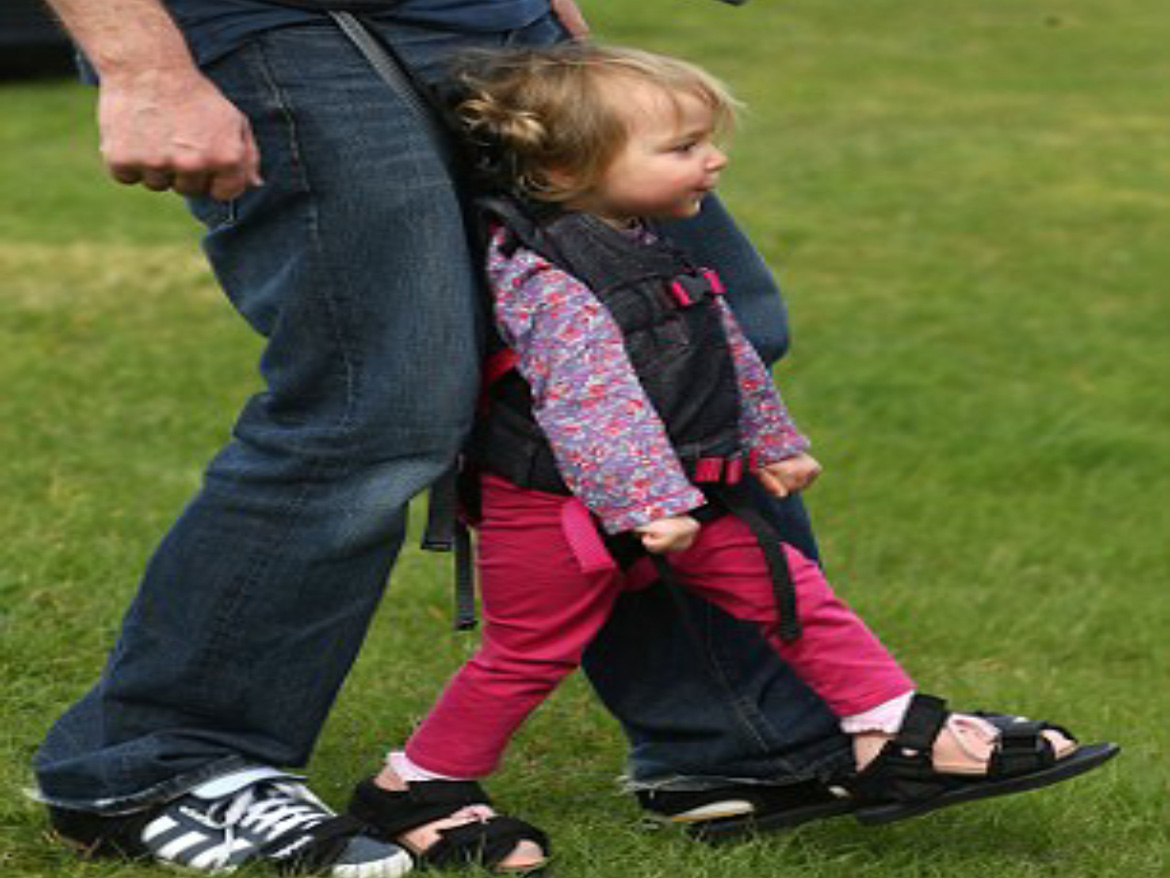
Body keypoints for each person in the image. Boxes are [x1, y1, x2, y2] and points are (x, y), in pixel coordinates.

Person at [31, 1, 866, 874]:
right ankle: (160, 763)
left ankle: (748, 741)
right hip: (276, 25)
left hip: (483, 12)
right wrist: (145, 68)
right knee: (380, 401)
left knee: (685, 336)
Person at [342, 43, 1120, 872]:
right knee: (526, 656)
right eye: (680, 149)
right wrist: (647, 507)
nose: (712, 161)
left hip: (670, 501)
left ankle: (886, 729)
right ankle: (417, 786)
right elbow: (588, 403)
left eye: (706, 142)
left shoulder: (642, 240)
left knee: (793, 594)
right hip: (562, 512)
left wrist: (772, 443)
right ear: (569, 170)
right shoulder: (551, 279)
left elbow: (725, 350)